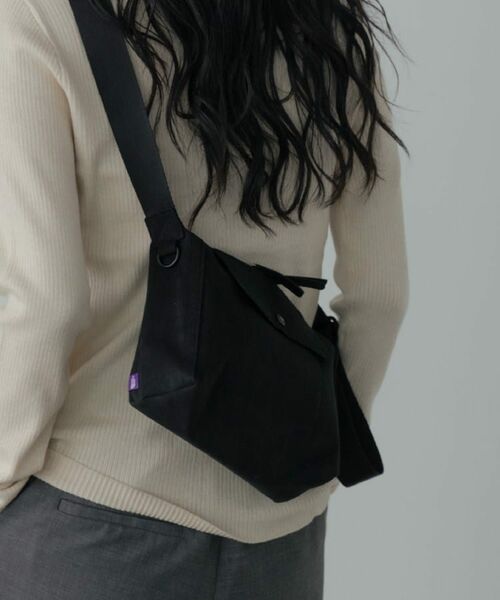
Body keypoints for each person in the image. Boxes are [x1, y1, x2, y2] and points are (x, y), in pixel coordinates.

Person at [0, 0, 410, 598]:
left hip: (90, 517)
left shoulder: (38, 17)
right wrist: (308, 460)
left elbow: (46, 305)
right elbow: (381, 296)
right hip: (282, 541)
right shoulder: (329, 26)